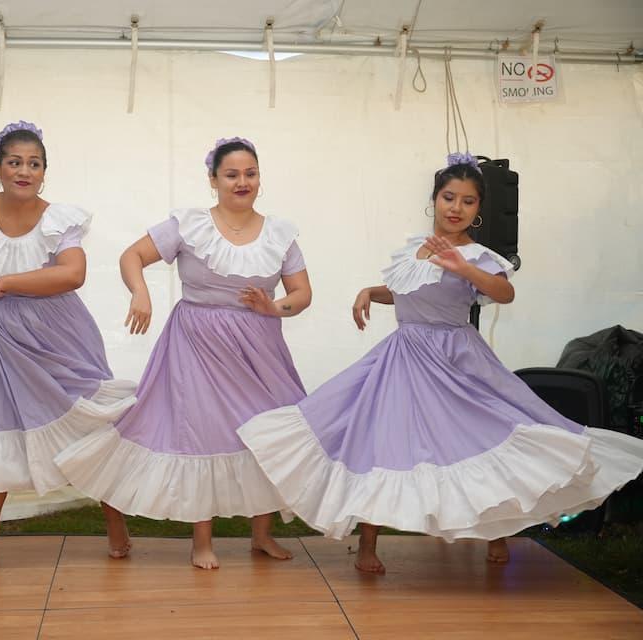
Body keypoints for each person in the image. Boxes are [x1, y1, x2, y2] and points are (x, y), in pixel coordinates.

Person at [237, 153, 643, 573]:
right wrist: (370, 292)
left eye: (468, 201)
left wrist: (464, 267)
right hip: (404, 356)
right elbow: (411, 291)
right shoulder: (415, 248)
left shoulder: (480, 256)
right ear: (435, 200)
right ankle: (368, 545)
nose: (456, 207)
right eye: (450, 197)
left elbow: (504, 294)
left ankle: (494, 532)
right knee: (379, 441)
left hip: (456, 359)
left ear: (478, 210)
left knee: (479, 440)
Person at [56, 137, 312, 569]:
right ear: (213, 179)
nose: (242, 181)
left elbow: (302, 293)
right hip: (197, 340)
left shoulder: (280, 232)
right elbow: (132, 256)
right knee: (203, 432)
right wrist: (141, 294)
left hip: (259, 346)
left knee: (268, 430)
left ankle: (262, 534)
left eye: (250, 173)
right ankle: (202, 539)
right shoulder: (188, 223)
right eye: (231, 174)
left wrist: (275, 306)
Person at [0, 121, 137, 577]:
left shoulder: (60, 219)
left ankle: (115, 524)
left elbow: (71, 274)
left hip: (60, 333)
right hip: (1, 337)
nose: (24, 171)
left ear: (44, 172)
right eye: (15, 162)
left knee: (86, 426)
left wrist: (1, 283)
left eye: (34, 164)